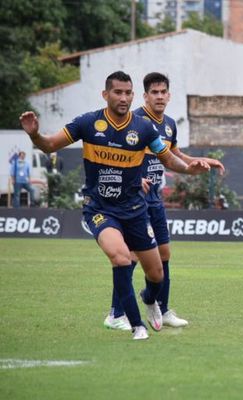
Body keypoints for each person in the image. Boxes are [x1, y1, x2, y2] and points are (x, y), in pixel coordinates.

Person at [19, 71, 212, 340]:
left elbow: (168, 158)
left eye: (127, 93)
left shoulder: (144, 128)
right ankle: (135, 325)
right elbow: (50, 145)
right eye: (118, 92)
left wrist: (190, 169)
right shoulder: (88, 123)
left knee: (156, 274)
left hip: (134, 209)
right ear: (105, 94)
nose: (123, 98)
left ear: (133, 95)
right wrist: (35, 135)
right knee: (121, 257)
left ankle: (150, 301)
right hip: (99, 209)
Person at [104, 72, 225, 331]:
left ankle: (162, 307)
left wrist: (199, 161)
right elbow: (117, 155)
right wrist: (132, 180)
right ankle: (115, 313)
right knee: (133, 255)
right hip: (133, 199)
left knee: (165, 253)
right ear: (145, 96)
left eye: (163, 92)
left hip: (155, 199)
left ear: (169, 96)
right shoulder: (133, 121)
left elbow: (172, 154)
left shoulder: (169, 124)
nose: (159, 96)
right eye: (154, 92)